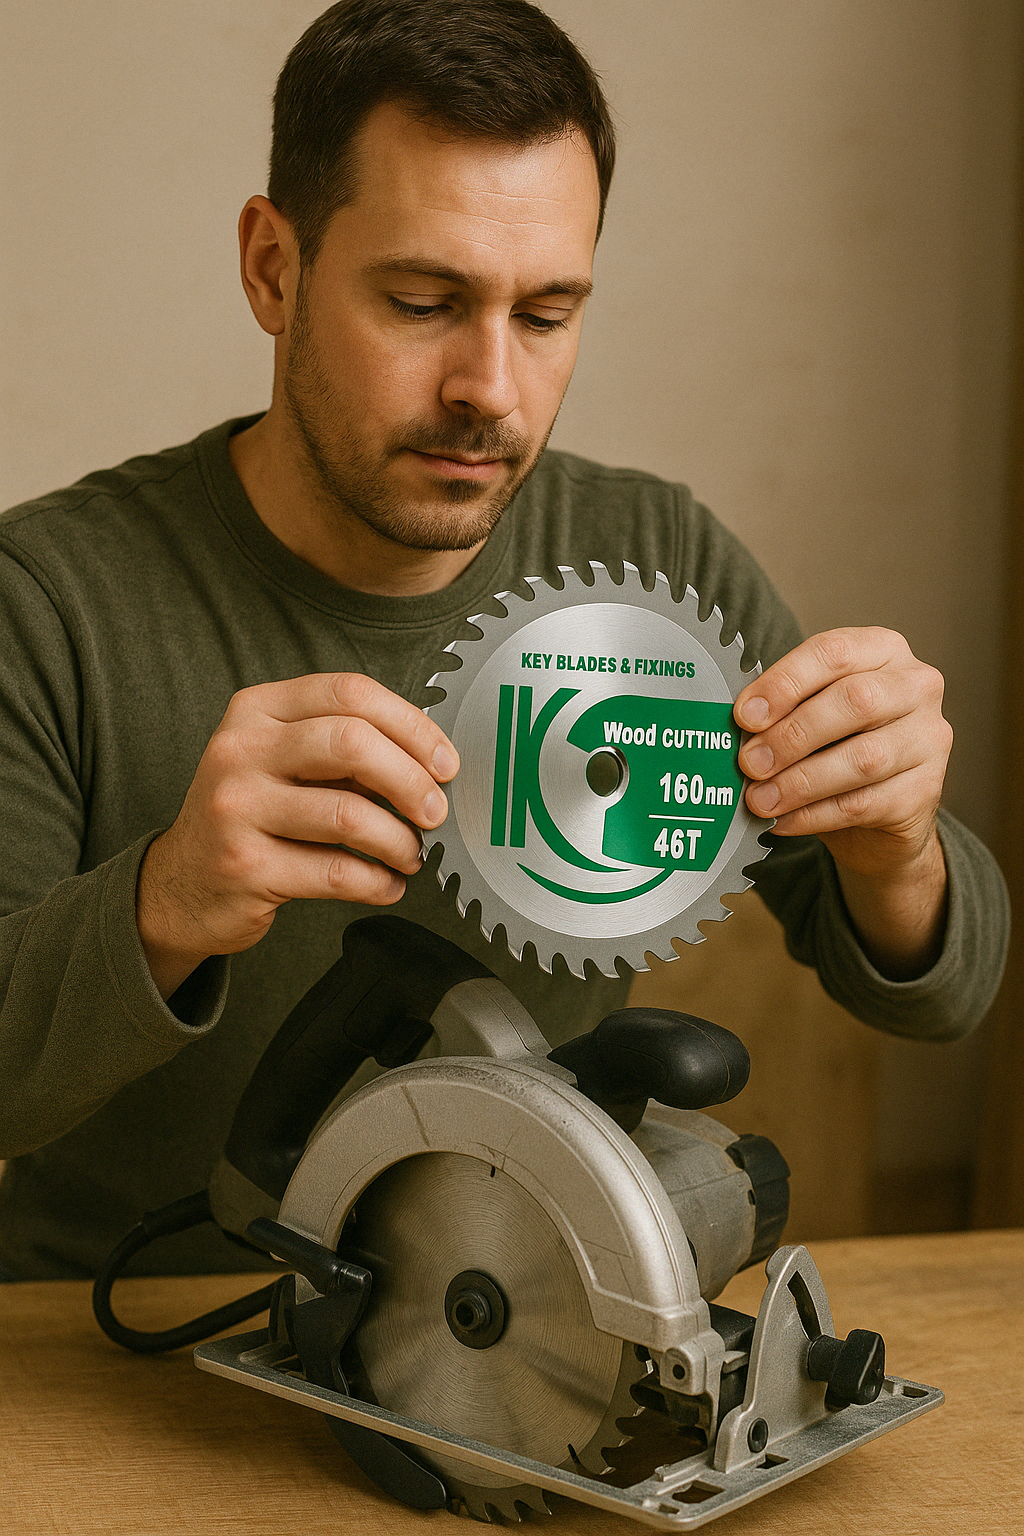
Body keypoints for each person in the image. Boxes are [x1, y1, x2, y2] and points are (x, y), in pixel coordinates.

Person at [0, 0, 1008, 1281]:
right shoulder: (44, 597)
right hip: (109, 1357)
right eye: (423, 302)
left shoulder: (658, 561)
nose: (490, 386)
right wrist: (168, 900)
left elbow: (942, 989)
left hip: (511, 1345)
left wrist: (896, 846)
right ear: (273, 268)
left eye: (545, 315)